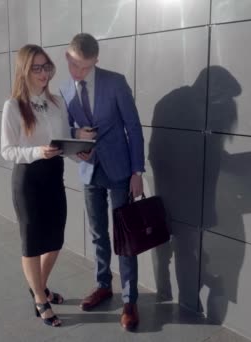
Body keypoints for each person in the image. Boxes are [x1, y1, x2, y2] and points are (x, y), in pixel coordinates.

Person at [60, 33, 145, 331]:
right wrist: (75, 147)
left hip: (121, 169)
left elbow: (133, 127)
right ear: (67, 57)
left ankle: (129, 299)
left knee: (125, 236)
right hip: (89, 170)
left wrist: (138, 172)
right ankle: (102, 284)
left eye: (84, 67)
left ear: (96, 60)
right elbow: (65, 129)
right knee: (97, 233)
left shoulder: (115, 82)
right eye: (73, 65)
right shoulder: (63, 88)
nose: (77, 72)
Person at [0, 44, 69, 327]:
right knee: (32, 242)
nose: (43, 73)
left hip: (54, 174)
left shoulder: (56, 102)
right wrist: (36, 152)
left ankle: (38, 286)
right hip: (28, 179)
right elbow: (7, 151)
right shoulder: (14, 105)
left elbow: (62, 140)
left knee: (55, 240)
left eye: (47, 66)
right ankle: (41, 298)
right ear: (24, 71)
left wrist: (80, 139)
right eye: (37, 68)